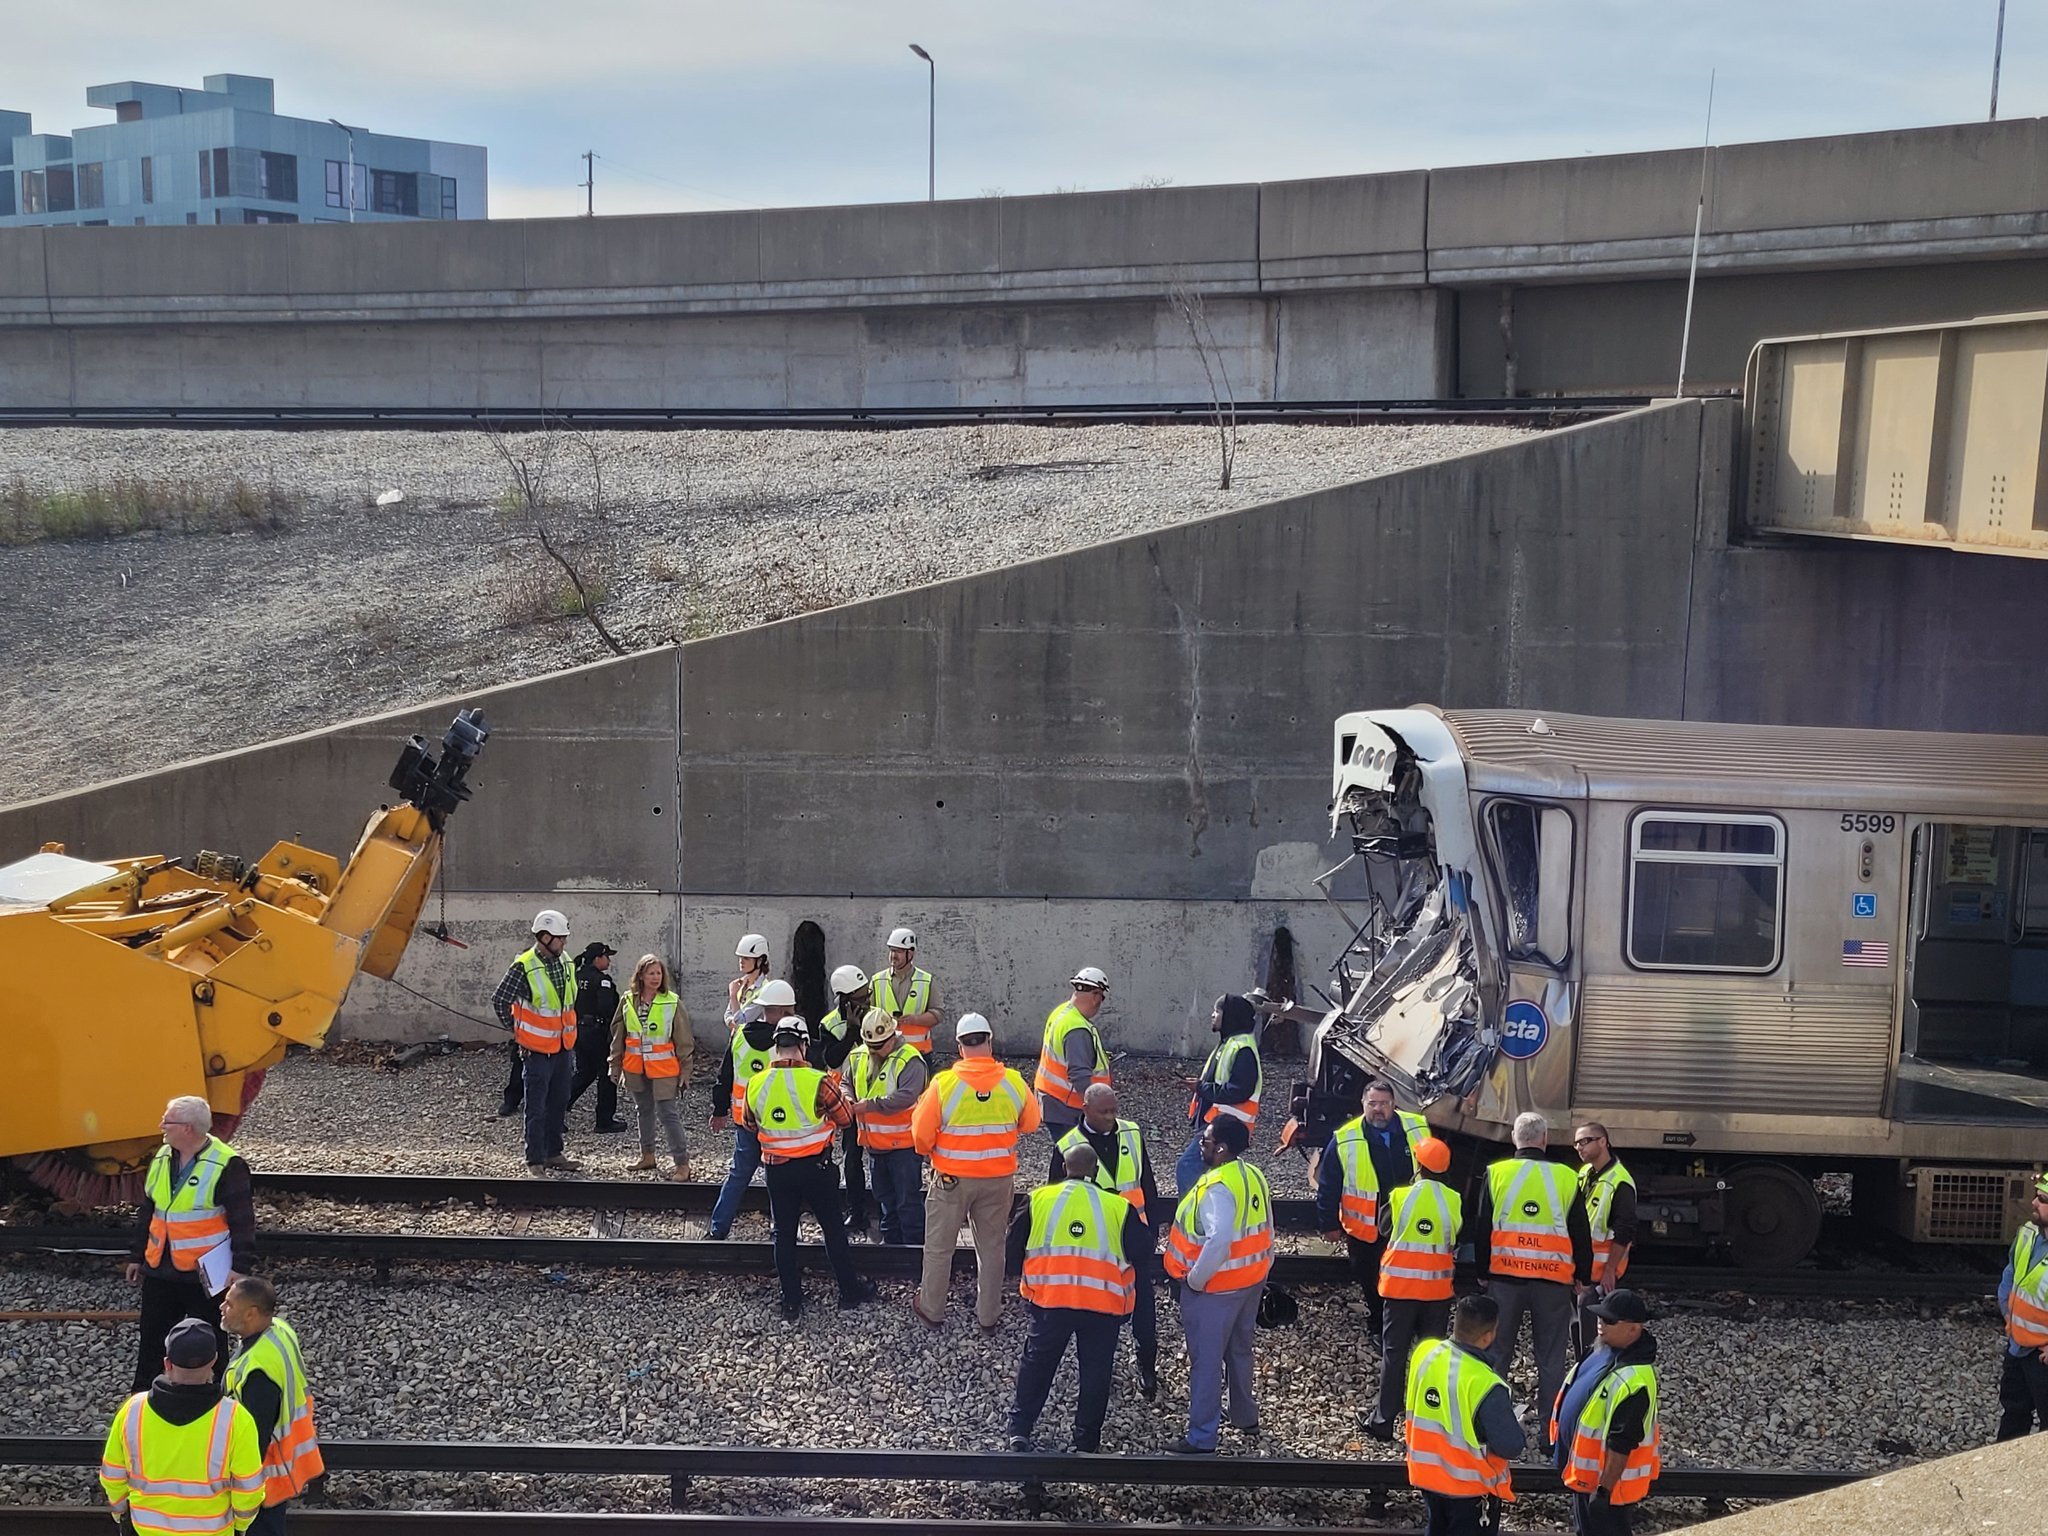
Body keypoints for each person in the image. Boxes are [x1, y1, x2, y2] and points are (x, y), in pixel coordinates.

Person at [742, 1016, 879, 1321]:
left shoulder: (756, 1083)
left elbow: (750, 1124)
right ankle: (849, 1291)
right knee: (832, 1230)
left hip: (777, 1170)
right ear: (803, 1045)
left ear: (776, 1046)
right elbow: (845, 1119)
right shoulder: (819, 1081)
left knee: (784, 1234)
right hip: (816, 1168)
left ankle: (791, 1301)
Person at [1007, 1144, 1140, 1453]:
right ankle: (1085, 1441)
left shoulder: (1038, 1200)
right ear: (1095, 1171)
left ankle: (1020, 1429)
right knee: (1095, 1373)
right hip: (1103, 1306)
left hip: (1051, 1301)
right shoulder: (1118, 1207)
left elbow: (1012, 1248)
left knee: (1037, 1365)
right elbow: (1142, 1251)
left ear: (1065, 1168)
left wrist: (1024, 1278)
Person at [911, 1012, 1040, 1331]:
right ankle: (988, 1315)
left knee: (940, 1247)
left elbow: (920, 1138)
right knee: (993, 1249)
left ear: (959, 1046)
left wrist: (936, 1152)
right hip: (998, 1180)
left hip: (952, 1181)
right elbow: (1032, 1123)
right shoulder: (1013, 1082)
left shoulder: (944, 1085)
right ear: (989, 1042)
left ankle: (932, 1309)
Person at [1473, 1111, 1591, 1455]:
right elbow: (1579, 1232)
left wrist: (1483, 1269)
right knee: (1550, 1358)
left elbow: (1482, 1227)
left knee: (1497, 1354)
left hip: (1504, 1278)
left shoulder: (1496, 1173)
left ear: (1515, 1138)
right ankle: (1548, 1434)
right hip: (1553, 1282)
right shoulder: (1567, 1177)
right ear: (1543, 1139)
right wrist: (1582, 1275)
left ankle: (1494, 1428)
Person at [126, 1094, 255, 1392]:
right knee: (152, 1342)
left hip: (204, 1275)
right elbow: (149, 1210)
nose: (161, 1126)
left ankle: (217, 1397)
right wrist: (136, 1256)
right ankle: (143, 1400)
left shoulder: (227, 1164)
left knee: (210, 1341)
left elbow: (243, 1220)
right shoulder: (162, 1157)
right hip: (160, 1268)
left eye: (167, 1121)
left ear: (186, 1128)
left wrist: (240, 1267)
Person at [1162, 1115, 1272, 1455]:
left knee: (1206, 1362)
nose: (1201, 1144)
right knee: (1239, 1350)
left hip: (1215, 1290)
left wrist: (1195, 1280)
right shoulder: (1252, 1175)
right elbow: (1266, 1225)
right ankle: (1244, 1415)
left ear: (1221, 1148)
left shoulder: (1217, 1189)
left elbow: (1219, 1240)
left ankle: (1202, 1436)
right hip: (1250, 1281)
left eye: (1206, 1141)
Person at [101, 1316, 263, 1536]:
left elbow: (112, 1476)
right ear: (214, 1360)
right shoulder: (236, 1418)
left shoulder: (133, 1411)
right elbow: (249, 1490)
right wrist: (240, 1526)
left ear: (167, 1363)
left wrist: (122, 1514)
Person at [1057, 1082, 1162, 1398]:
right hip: (1096, 1247)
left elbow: (1148, 1184)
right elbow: (1057, 1199)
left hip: (1134, 1239)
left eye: (1114, 1110)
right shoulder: (1067, 1145)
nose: (1111, 1117)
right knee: (1100, 1314)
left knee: (1143, 1309)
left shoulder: (1130, 1133)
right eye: (1104, 1112)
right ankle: (1098, 1373)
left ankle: (1147, 1366)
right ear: (1085, 1110)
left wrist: (1151, 1230)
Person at [1362, 1136, 1460, 1442]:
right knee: (1430, 1358)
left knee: (1394, 1355)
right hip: (1436, 1293)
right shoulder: (1454, 1199)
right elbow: (1456, 1236)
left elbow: (1383, 1230)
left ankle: (1383, 1420)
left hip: (1401, 1290)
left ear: (1419, 1165)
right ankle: (1427, 1426)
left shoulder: (1400, 1196)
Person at [1317, 1079, 1433, 1339]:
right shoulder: (1345, 1139)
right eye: (1373, 1104)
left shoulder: (1417, 1127)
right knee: (1371, 1278)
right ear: (1363, 1104)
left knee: (1408, 1275)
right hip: (1366, 1228)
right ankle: (1379, 1323)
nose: (1378, 1109)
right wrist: (1328, 1224)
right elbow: (1328, 1184)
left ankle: (1408, 1322)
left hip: (1408, 1223)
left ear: (1394, 1105)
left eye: (1384, 1104)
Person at [1404, 1294, 1523, 1536]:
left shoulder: (1425, 1354)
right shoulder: (1486, 1383)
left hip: (1429, 1479)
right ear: (1488, 1336)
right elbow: (1510, 1445)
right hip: (1470, 1491)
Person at [1550, 1290, 1661, 1535]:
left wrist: (1603, 1492)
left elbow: (1621, 1442)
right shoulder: (1604, 1349)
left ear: (1633, 1329)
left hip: (1606, 1487)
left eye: (1609, 1321)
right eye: (1600, 1317)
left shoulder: (1636, 1380)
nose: (1600, 1324)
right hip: (1585, 1476)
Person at [220, 1276, 324, 1534]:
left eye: (229, 1304)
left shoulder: (258, 1371)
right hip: (285, 1465)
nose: (222, 1308)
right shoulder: (279, 1329)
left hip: (265, 1480)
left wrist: (236, 1484)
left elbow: (255, 1440)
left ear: (251, 1314)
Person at [491, 909, 582, 1175]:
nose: (564, 943)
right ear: (544, 937)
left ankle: (554, 1153)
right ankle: (534, 1159)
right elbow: (500, 999)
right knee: (536, 1106)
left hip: (563, 1047)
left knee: (558, 1101)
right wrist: (518, 1032)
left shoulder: (565, 961)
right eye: (560, 938)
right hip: (537, 1050)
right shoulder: (524, 965)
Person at [706, 978, 796, 1239]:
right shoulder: (788, 1042)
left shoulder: (739, 1036)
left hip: (744, 1120)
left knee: (738, 1174)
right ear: (784, 1010)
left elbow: (724, 1076)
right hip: (778, 1122)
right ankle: (783, 1231)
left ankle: (717, 1228)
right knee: (778, 1178)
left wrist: (719, 1110)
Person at [848, 1006, 929, 1245]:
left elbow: (906, 1096)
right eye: (871, 1046)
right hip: (875, 1146)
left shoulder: (910, 1060)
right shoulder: (859, 1056)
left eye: (879, 1046)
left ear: (893, 1036)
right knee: (884, 1199)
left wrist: (869, 1105)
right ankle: (892, 1245)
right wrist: (848, 1097)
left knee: (907, 1201)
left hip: (904, 1146)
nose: (875, 1051)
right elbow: (846, 1081)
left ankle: (914, 1247)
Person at [609, 954, 693, 1181]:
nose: (656, 977)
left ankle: (682, 1163)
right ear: (641, 975)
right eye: (651, 973)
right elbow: (619, 1035)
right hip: (636, 1067)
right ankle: (647, 1155)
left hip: (664, 1069)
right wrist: (614, 1064)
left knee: (668, 1114)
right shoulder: (628, 1001)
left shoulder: (672, 1002)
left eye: (659, 973)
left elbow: (684, 1040)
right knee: (643, 1111)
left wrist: (686, 1071)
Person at [1176, 992, 1263, 1195]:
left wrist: (1201, 1088)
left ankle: (1192, 1219)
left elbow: (1239, 1090)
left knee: (1187, 1168)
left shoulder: (1241, 1048)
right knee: (1211, 1176)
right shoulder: (1231, 1044)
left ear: (1230, 1017)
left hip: (1223, 1127)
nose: (1213, 1015)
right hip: (1218, 1124)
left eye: (1218, 1011)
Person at [1035, 966, 1112, 1180]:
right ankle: (1063, 1198)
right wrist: (1098, 1110)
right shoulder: (1077, 1029)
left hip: (1053, 1099)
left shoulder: (1063, 1013)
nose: (1099, 1003)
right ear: (1096, 996)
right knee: (1074, 1157)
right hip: (1067, 1105)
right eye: (1101, 998)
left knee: (1063, 1151)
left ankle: (1054, 1193)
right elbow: (1080, 1076)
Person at [820, 964, 876, 1233]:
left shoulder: (877, 1018)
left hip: (874, 1096)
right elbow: (831, 1058)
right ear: (844, 1000)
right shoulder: (830, 1024)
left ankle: (884, 1210)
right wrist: (852, 1032)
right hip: (842, 1100)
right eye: (860, 997)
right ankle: (856, 1212)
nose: (867, 1001)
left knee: (880, 1157)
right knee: (850, 1158)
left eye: (867, 995)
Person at [1574, 1122, 1637, 1355]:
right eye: (1576, 1143)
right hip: (1583, 1270)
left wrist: (1610, 1269)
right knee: (1580, 1329)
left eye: (1584, 1141)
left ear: (1603, 1142)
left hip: (1601, 1274)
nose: (1579, 1147)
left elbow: (1626, 1229)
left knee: (1593, 1336)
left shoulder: (1619, 1181)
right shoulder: (1585, 1174)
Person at [1996, 1171, 2048, 1439]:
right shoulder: (2029, 1233)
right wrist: (2009, 1317)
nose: (2033, 1203)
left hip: (2042, 1356)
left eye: (2042, 1199)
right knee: (2014, 1414)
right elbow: (2011, 1276)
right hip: (2018, 1347)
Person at [567, 940, 628, 1134]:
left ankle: (557, 1106)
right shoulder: (602, 981)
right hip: (597, 1032)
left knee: (585, 1072)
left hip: (578, 1029)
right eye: (606, 957)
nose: (609, 961)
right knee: (606, 1075)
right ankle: (604, 1120)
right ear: (597, 959)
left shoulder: (575, 977)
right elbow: (607, 1008)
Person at [873, 927, 940, 1055]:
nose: (893, 956)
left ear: (911, 953)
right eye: (892, 951)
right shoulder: (877, 980)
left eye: (899, 951)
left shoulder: (926, 981)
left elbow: (938, 1014)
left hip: (918, 1053)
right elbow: (868, 1014)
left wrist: (915, 1020)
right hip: (886, 1053)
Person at [727, 933, 772, 1031]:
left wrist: (733, 997)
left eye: (746, 958)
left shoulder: (764, 990)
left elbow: (742, 1023)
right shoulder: (740, 984)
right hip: (736, 1043)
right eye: (740, 957)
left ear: (760, 961)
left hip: (751, 1045)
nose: (741, 961)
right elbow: (728, 1014)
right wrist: (732, 1021)